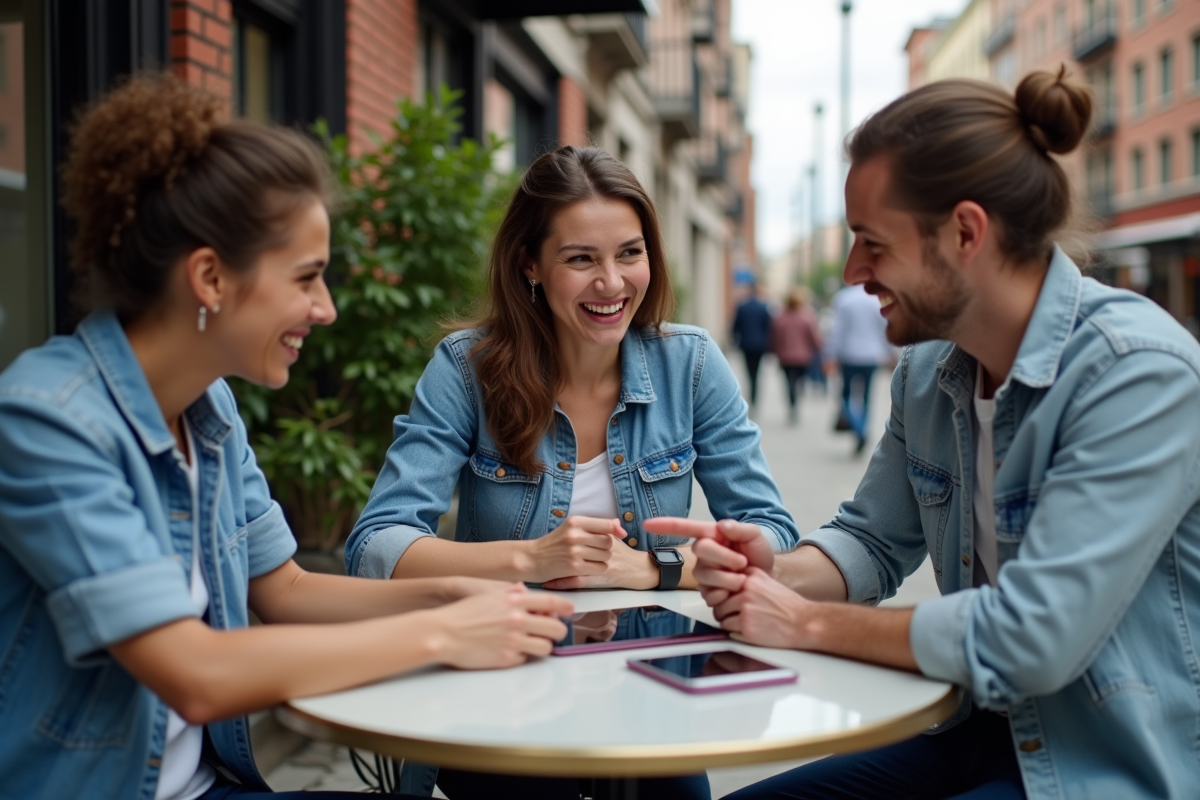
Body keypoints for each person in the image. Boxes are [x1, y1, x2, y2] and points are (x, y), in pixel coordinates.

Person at [0, 74, 572, 800]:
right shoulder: (49, 420)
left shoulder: (207, 408)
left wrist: (451, 596)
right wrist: (445, 636)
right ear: (210, 277)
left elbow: (288, 590)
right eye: (307, 279)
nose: (325, 308)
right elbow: (196, 674)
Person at [645, 67, 1200, 800]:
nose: (853, 272)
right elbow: (873, 540)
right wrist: (773, 570)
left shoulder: (1138, 373)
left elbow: (1031, 638)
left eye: (872, 243)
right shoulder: (928, 370)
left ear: (966, 232)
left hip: (1108, 766)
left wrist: (806, 624)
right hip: (968, 730)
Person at [345, 146, 800, 799]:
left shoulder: (692, 365)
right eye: (581, 259)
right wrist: (531, 559)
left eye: (629, 253)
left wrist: (649, 569)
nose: (611, 283)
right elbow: (375, 545)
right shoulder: (466, 369)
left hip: (651, 694)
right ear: (529, 264)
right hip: (502, 690)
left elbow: (772, 537)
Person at [824, 280, 892, 454]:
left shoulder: (843, 298)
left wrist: (830, 355)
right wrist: (891, 353)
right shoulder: (877, 299)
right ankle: (863, 428)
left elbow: (836, 331)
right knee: (867, 396)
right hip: (872, 356)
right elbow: (885, 328)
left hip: (849, 355)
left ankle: (858, 429)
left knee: (846, 395)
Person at [769, 287, 822, 423]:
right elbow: (813, 337)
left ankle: (792, 404)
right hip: (803, 357)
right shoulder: (806, 318)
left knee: (789, 382)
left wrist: (774, 351)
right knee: (800, 380)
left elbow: (775, 338)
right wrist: (818, 347)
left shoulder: (780, 318)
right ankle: (797, 399)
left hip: (785, 357)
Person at [730, 281, 773, 408]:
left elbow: (736, 326)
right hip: (760, 345)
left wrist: (734, 339)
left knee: (749, 370)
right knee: (757, 371)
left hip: (746, 344)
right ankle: (754, 395)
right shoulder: (763, 307)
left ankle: (752, 390)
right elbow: (769, 327)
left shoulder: (742, 307)